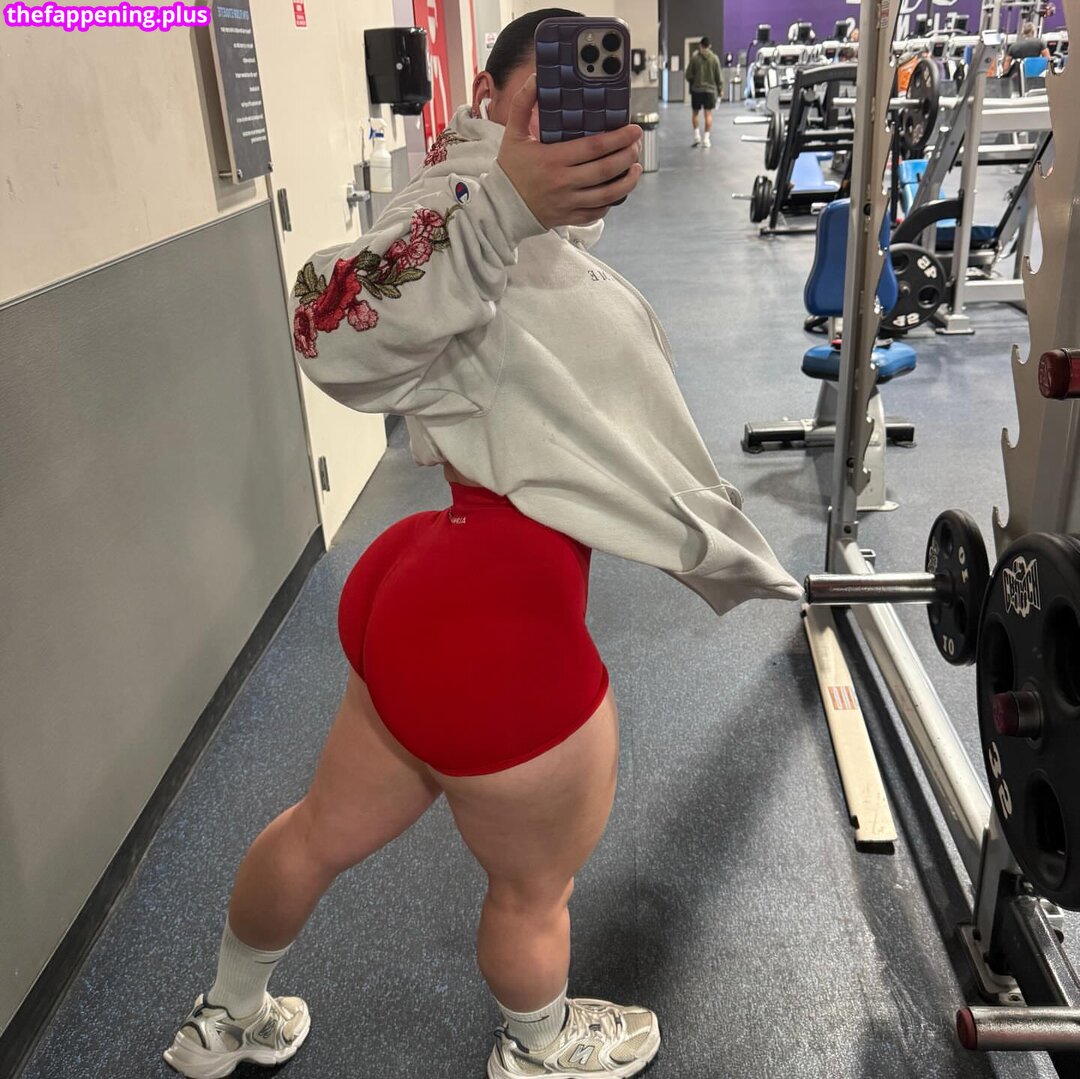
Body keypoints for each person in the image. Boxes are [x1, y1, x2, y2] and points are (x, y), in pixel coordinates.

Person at [163, 8, 800, 1079]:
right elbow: (323, 317)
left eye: (588, 103)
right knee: (533, 890)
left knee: (320, 828)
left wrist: (530, 204)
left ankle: (224, 1016)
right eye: (541, 103)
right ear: (485, 101)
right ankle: (538, 1045)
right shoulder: (461, 204)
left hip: (424, 590)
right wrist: (503, 199)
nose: (562, 129)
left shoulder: (511, 222)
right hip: (499, 620)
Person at [685, 36, 723, 147]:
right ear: (710, 46)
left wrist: (694, 81)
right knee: (708, 114)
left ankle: (697, 136)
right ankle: (706, 139)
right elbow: (718, 76)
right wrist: (720, 89)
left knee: (695, 113)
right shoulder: (714, 58)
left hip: (697, 90)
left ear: (700, 45)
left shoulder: (695, 58)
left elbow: (688, 75)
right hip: (710, 91)